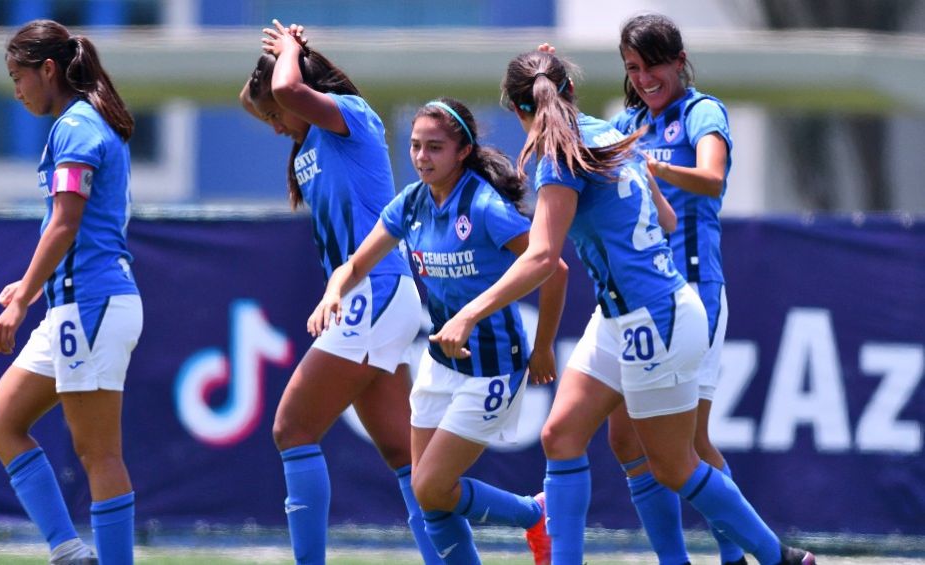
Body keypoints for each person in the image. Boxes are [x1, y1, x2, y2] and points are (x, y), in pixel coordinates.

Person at [430, 49, 816, 565]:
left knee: (675, 465)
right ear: (569, 91)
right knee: (562, 435)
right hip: (624, 316)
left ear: (518, 108)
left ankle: (779, 559)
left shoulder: (559, 156)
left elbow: (543, 257)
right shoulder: (610, 134)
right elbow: (668, 219)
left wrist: (467, 313)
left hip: (652, 318)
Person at [309, 97, 568, 565]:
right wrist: (334, 292)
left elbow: (556, 268)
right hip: (439, 363)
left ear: (462, 152)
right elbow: (355, 266)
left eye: (435, 147)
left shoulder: (485, 207)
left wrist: (544, 346)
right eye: (415, 146)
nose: (422, 157)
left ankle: (535, 514)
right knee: (426, 494)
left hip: (492, 368)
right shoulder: (412, 203)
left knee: (430, 486)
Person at [239, 20, 436, 565]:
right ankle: (518, 520)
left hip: (376, 291)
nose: (276, 125)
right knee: (407, 457)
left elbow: (283, 91)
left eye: (276, 119)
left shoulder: (351, 116)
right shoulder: (308, 140)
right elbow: (269, 97)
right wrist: (277, 75)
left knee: (292, 427)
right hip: (371, 298)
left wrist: (292, 50)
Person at [0, 19, 140, 565]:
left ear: (47, 69)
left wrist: (25, 296)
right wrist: (35, 285)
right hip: (76, 304)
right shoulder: (85, 122)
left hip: (92, 304)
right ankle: (70, 553)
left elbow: (65, 223)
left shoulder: (76, 126)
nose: (16, 90)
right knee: (1, 422)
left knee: (99, 453)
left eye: (17, 76)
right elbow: (73, 226)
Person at [607, 13, 746, 565]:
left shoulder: (701, 112)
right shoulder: (628, 121)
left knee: (687, 445)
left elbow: (712, 179)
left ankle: (740, 557)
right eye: (633, 68)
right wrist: (550, 90)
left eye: (653, 64)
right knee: (625, 438)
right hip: (640, 299)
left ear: (679, 61)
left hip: (693, 293)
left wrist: (650, 167)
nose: (643, 78)